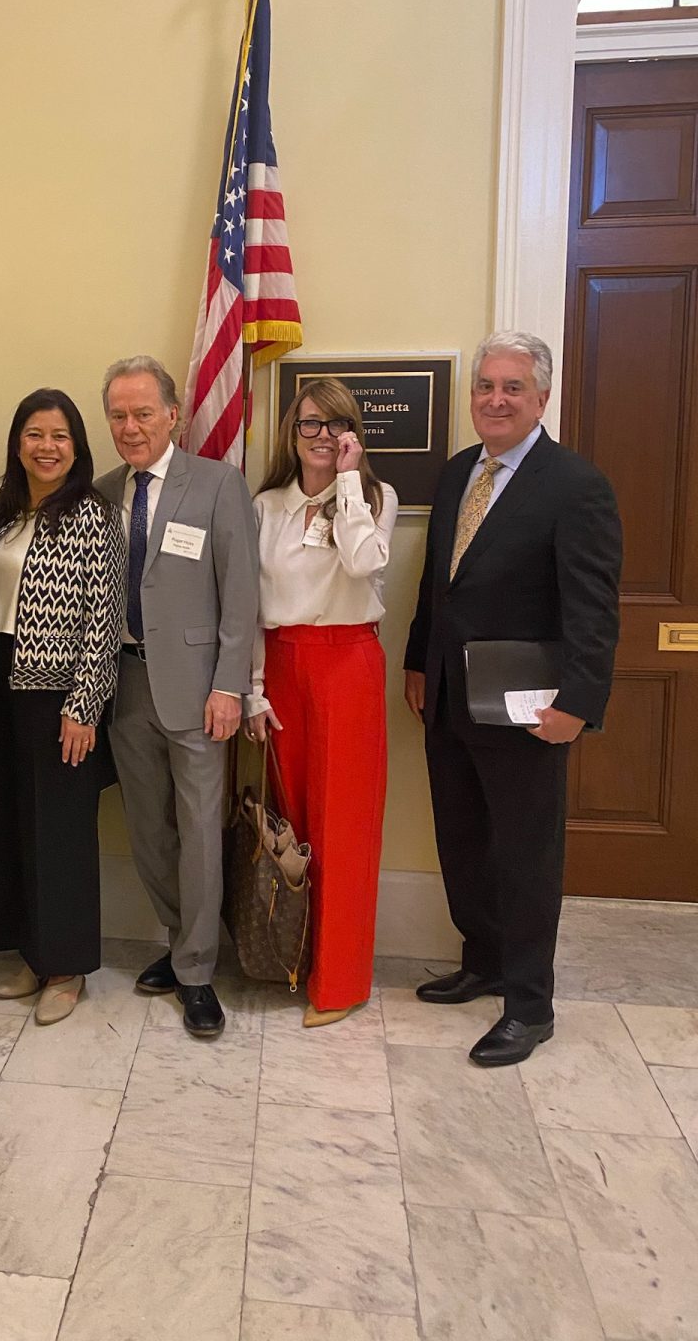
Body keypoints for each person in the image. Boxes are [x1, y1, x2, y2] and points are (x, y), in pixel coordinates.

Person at [404, 331, 622, 1066]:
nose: (495, 400)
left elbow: (593, 608)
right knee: (464, 842)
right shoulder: (458, 472)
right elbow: (439, 584)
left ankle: (530, 1006)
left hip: (529, 710)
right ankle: (486, 962)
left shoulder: (575, 484)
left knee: (526, 856)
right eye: (485, 386)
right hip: (448, 697)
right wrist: (417, 662)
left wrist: (579, 703)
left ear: (542, 398)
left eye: (512, 387)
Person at [97, 356, 258, 1037]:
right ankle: (178, 936)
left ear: (173, 414)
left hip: (197, 689)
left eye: (143, 413)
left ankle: (196, 970)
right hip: (124, 684)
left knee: (197, 832)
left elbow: (241, 594)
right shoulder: (102, 492)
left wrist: (229, 686)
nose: (130, 427)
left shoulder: (218, 484)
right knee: (149, 832)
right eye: (118, 415)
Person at [244, 378, 397, 1027]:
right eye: (310, 423)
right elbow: (250, 603)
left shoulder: (375, 497)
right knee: (293, 823)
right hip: (283, 665)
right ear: (292, 431)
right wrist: (253, 689)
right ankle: (293, 957)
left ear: (352, 433)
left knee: (345, 826)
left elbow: (363, 564)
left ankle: (340, 981)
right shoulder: (266, 506)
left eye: (336, 425)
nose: (322, 437)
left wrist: (350, 483)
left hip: (347, 665)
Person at [0, 389, 125, 1025]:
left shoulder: (93, 515)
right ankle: (31, 955)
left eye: (59, 436)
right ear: (18, 443)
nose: (47, 447)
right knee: (6, 821)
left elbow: (105, 619)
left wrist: (84, 705)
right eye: (34, 434)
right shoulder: (3, 513)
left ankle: (66, 967)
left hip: (56, 692)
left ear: (77, 447)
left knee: (59, 831)